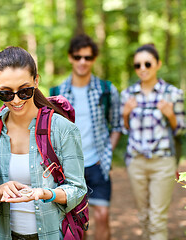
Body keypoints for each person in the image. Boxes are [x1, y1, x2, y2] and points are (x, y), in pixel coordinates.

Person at [0, 46, 87, 239]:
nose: (15, 100)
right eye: (6, 93)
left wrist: (46, 193)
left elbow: (77, 189)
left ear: (36, 81)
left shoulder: (62, 129)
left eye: (24, 91)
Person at [50, 34, 121, 240]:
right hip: (70, 167)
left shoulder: (106, 90)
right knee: (79, 221)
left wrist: (106, 154)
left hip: (98, 163)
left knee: (102, 215)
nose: (83, 62)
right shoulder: (57, 92)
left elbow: (116, 125)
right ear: (70, 58)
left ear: (94, 59)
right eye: (78, 57)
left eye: (87, 57)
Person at [120, 44, 185, 240]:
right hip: (136, 162)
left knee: (157, 219)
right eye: (137, 65)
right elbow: (125, 129)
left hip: (162, 161)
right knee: (144, 217)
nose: (142, 68)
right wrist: (125, 115)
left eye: (147, 63)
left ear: (158, 64)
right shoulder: (127, 95)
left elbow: (181, 129)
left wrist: (171, 115)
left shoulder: (173, 94)